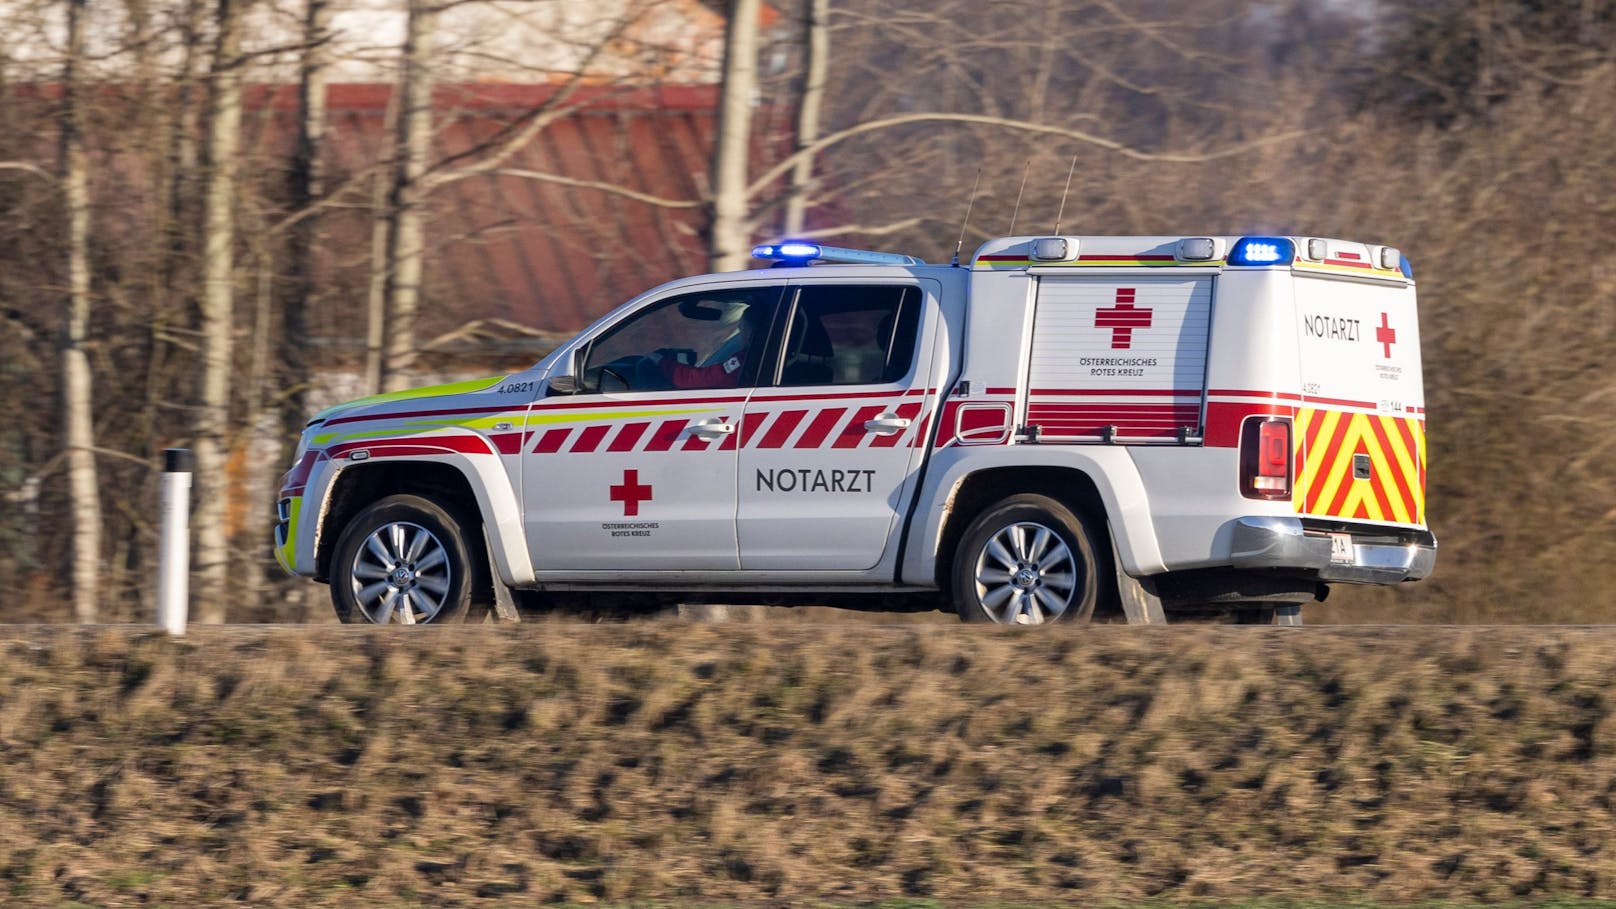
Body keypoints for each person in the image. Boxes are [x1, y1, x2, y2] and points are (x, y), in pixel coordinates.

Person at [654, 300, 757, 389]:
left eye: (743, 328)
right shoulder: (757, 357)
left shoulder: (746, 359)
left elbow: (707, 380)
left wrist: (663, 364)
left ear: (751, 331)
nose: (740, 330)